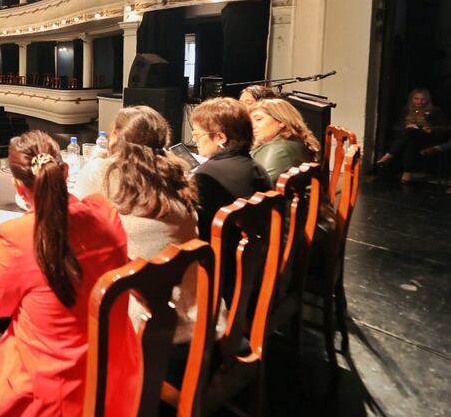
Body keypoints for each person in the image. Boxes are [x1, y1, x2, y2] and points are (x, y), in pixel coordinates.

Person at [0, 131, 137, 416]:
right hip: (118, 372)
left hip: (58, 394)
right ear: (65, 170)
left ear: (19, 188)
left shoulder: (17, 236)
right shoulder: (105, 211)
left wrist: (2, 255)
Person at [73, 106, 202, 343]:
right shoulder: (179, 172)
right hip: (198, 312)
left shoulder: (101, 172)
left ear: (116, 137)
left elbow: (74, 226)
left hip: (144, 324)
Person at [189, 98, 272, 239]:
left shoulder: (207, 174)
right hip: (252, 252)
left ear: (220, 137)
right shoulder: (256, 167)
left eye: (197, 134)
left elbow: (196, 227)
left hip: (221, 256)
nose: (194, 140)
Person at [377, 88, 448, 183]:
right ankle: (407, 172)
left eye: (423, 99)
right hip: (409, 135)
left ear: (428, 100)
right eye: (416, 98)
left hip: (427, 136)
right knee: (410, 138)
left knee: (410, 133)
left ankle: (389, 156)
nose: (419, 101)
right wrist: (406, 126)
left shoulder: (435, 110)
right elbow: (396, 126)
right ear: (411, 99)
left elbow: (445, 127)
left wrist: (432, 129)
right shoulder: (406, 109)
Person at [249, 99, 321, 183]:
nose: (252, 126)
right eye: (251, 122)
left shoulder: (277, 150)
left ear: (282, 121)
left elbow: (256, 187)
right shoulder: (293, 139)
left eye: (258, 119)